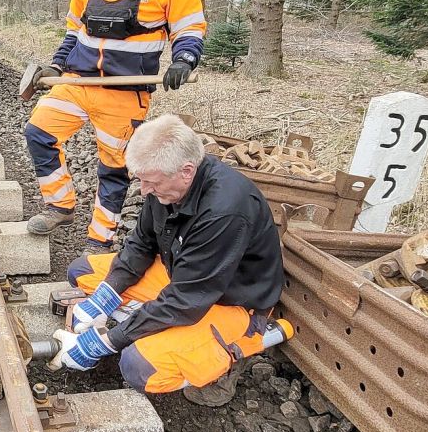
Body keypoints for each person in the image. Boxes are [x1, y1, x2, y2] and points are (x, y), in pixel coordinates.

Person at [47, 115, 287, 407]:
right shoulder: (167, 184)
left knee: (139, 368)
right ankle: (148, 321)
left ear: (187, 171)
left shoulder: (225, 211)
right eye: (142, 181)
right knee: (82, 271)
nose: (144, 190)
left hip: (229, 301)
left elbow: (186, 300)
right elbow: (140, 243)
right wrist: (104, 298)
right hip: (184, 276)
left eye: (150, 183)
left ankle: (234, 351)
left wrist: (107, 342)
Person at [24, 0, 207, 255]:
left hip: (126, 92)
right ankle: (60, 205)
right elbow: (75, 28)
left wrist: (184, 60)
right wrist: (57, 64)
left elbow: (189, 28)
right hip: (78, 80)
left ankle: (99, 240)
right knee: (38, 131)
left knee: (114, 169)